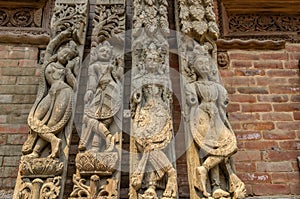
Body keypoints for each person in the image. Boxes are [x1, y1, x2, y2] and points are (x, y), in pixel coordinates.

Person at [185, 45, 238, 198]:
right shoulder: (193, 86)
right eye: (200, 64)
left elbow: (223, 105)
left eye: (206, 63)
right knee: (213, 149)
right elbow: (192, 103)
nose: (204, 67)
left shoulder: (217, 87)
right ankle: (215, 185)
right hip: (203, 117)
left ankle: (205, 169)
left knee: (230, 145)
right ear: (194, 68)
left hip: (217, 118)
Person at [130, 84, 177, 199]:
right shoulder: (140, 76)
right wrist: (136, 96)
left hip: (160, 113)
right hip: (145, 112)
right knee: (147, 145)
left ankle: (152, 186)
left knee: (153, 146)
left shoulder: (162, 75)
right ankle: (170, 172)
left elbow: (168, 96)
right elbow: (135, 96)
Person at [78, 41, 121, 152]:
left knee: (105, 119)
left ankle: (96, 146)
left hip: (111, 91)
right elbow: (92, 81)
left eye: (108, 52)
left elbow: (118, 77)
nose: (105, 53)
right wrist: (89, 91)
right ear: (97, 53)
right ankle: (108, 137)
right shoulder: (94, 66)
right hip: (99, 91)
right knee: (89, 117)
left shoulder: (111, 66)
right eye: (102, 51)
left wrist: (118, 65)